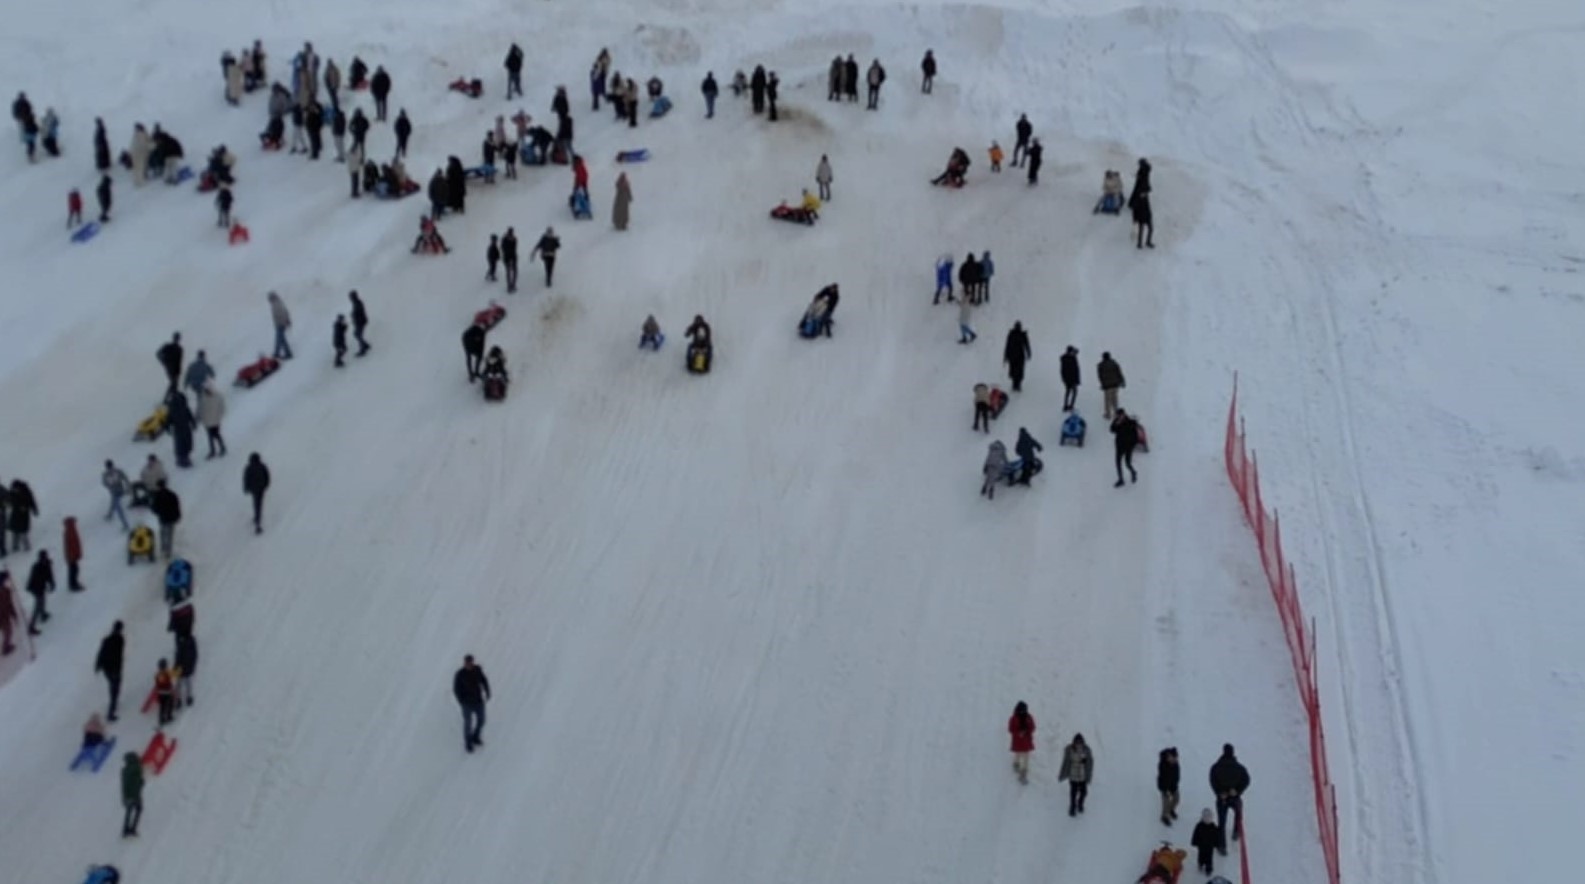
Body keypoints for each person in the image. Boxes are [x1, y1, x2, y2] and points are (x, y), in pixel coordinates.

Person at [1209, 743, 1251, 851]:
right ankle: (1236, 831)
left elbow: (1213, 781)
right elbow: (1246, 780)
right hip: (1235, 798)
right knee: (1238, 815)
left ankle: (1222, 846)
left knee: (1221, 822)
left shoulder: (1216, 767)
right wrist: (1237, 791)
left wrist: (1219, 792)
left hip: (1222, 799)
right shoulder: (1240, 768)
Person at [453, 654, 491, 752]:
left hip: (478, 701)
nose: (469, 664)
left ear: (472, 662)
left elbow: (484, 680)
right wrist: (461, 701)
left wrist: (487, 691)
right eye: (467, 663)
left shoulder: (477, 670)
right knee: (468, 723)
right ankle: (468, 743)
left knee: (482, 720)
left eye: (470, 662)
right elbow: (456, 689)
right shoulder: (460, 674)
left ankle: (475, 737)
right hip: (467, 704)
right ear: (464, 663)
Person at [96, 621, 125, 720]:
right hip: (115, 669)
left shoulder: (106, 640)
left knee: (113, 686)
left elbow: (101, 653)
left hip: (107, 669)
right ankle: (111, 713)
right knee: (115, 688)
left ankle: (113, 703)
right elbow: (119, 656)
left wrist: (98, 665)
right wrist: (118, 668)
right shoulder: (120, 640)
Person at [1058, 733, 1093, 816]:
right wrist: (1063, 773)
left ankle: (1080, 804)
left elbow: (1090, 762)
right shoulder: (1070, 750)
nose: (1078, 743)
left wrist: (1086, 764)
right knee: (1073, 793)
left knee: (1083, 792)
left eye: (1080, 742)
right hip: (1073, 774)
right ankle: (1072, 807)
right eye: (1077, 742)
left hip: (1082, 775)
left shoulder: (1086, 750)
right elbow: (1066, 762)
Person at [149, 481, 181, 560]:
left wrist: (158, 512)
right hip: (171, 518)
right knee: (170, 535)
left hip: (163, 518)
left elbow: (154, 508)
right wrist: (177, 516)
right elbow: (177, 506)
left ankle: (163, 548)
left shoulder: (157, 496)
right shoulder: (172, 495)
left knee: (163, 533)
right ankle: (168, 551)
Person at [25, 550, 54, 636]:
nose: (44, 559)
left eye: (45, 557)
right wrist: (42, 588)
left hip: (40, 587)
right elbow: (35, 580)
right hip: (35, 588)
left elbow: (50, 575)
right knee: (37, 606)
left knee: (43, 600)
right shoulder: (36, 567)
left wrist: (52, 584)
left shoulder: (47, 565)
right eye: (43, 558)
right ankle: (31, 627)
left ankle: (43, 614)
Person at [166, 390, 197, 469]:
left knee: (180, 444)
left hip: (179, 429)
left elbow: (168, 420)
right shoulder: (184, 407)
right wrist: (193, 423)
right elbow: (190, 415)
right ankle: (184, 458)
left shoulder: (172, 409)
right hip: (184, 428)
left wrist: (167, 428)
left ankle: (182, 459)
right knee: (186, 443)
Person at [1110, 409, 1141, 487]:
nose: (1118, 417)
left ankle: (1133, 472)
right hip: (1119, 446)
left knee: (1127, 463)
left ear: (1124, 414)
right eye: (1117, 416)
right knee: (1118, 463)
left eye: (1120, 415)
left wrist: (1131, 445)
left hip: (1128, 447)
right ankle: (1121, 479)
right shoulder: (1116, 422)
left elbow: (1136, 438)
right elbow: (1111, 430)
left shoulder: (1131, 423)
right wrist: (1116, 423)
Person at [242, 453, 270, 534]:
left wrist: (246, 488)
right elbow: (267, 476)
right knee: (259, 505)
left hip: (254, 489)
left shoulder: (248, 468)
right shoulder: (262, 466)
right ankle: (257, 521)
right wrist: (266, 485)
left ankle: (257, 519)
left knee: (255, 503)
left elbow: (246, 478)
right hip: (261, 489)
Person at [1008, 701, 1035, 783]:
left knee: (1026, 759)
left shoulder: (1029, 717)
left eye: (1025, 710)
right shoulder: (1013, 718)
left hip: (1026, 741)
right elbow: (1010, 729)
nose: (1023, 711)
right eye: (1022, 710)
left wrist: (1026, 731)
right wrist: (1018, 732)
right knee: (1018, 755)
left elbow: (1033, 727)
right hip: (1018, 741)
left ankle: (1023, 775)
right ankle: (1016, 764)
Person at [7, 478, 37, 552]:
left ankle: (27, 546)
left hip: (24, 515)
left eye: (15, 489)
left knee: (23, 532)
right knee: (14, 531)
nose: (14, 490)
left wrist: (34, 509)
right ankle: (15, 547)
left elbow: (32, 501)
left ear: (18, 487)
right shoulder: (12, 492)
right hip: (15, 514)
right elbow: (9, 500)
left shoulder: (26, 492)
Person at [199, 381, 226, 458]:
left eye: (207, 389)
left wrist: (218, 417)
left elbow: (222, 408)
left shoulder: (218, 397)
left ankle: (222, 448)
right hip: (207, 421)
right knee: (210, 437)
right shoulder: (203, 398)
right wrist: (202, 417)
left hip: (215, 421)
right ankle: (213, 450)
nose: (206, 391)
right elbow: (201, 409)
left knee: (217, 435)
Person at [102, 460, 131, 531]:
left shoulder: (118, 472)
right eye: (109, 467)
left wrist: (127, 487)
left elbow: (125, 478)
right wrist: (110, 486)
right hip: (114, 492)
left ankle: (125, 525)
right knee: (114, 504)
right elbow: (104, 483)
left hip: (120, 490)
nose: (110, 469)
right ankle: (110, 515)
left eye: (110, 467)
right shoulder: (105, 474)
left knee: (117, 507)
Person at [121, 752, 144, 837]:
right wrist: (142, 782)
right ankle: (133, 828)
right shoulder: (137, 768)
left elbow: (124, 784)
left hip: (126, 795)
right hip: (135, 794)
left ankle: (125, 829)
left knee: (129, 811)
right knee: (139, 809)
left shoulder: (124, 770)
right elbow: (138, 781)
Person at [1097, 351, 1125, 419]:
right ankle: (1116, 413)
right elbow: (1119, 373)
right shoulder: (1114, 363)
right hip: (1115, 384)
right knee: (1114, 399)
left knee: (1107, 400)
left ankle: (1108, 414)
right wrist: (1122, 381)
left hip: (1107, 386)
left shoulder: (1101, 365)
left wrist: (1102, 384)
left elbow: (1100, 376)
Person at [1004, 322, 1030, 391]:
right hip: (1015, 356)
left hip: (1017, 356)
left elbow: (1026, 345)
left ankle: (1017, 385)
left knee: (1017, 371)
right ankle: (1015, 384)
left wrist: (1006, 356)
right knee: (1015, 370)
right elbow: (1008, 345)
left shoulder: (1019, 335)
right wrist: (1006, 356)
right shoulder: (1014, 334)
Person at [1158, 747, 1181, 825]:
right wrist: (1166, 790)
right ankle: (1164, 816)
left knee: (1177, 799)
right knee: (1166, 802)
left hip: (1173, 785)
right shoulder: (1163, 765)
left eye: (1176, 758)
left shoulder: (1176, 764)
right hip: (1164, 787)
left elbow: (1177, 775)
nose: (1175, 760)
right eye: (1173, 758)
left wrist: (1175, 784)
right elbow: (1163, 779)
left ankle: (1171, 810)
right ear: (1169, 757)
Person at [175, 632, 197, 706]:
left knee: (179, 683)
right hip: (187, 665)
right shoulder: (191, 640)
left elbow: (178, 655)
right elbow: (194, 654)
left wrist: (176, 666)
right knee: (187, 682)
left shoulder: (181, 641)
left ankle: (179, 700)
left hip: (182, 665)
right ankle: (188, 697)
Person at [268, 291, 293, 359]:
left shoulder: (276, 304)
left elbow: (282, 313)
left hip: (280, 324)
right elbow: (285, 312)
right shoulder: (277, 303)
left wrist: (285, 322)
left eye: (270, 298)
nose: (269, 300)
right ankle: (281, 353)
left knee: (280, 339)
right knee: (281, 339)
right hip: (280, 324)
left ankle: (285, 353)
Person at [153, 659, 178, 726]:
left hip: (160, 693)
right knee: (170, 704)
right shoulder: (167, 673)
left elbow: (157, 683)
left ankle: (161, 719)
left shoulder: (157, 674)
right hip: (167, 692)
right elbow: (171, 680)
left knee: (162, 706)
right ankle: (169, 716)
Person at [63, 517, 84, 590]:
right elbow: (72, 544)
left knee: (74, 569)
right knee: (74, 570)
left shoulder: (70, 530)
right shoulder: (70, 531)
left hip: (72, 555)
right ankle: (73, 585)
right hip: (72, 556)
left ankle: (73, 583)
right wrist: (75, 554)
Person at [0, 569, 16, 654]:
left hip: (4, 615)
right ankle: (5, 649)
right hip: (3, 616)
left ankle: (6, 646)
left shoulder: (6, 590)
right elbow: (8, 604)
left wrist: (13, 614)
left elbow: (9, 604)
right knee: (8, 631)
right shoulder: (6, 591)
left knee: (8, 631)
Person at [1060, 346, 1081, 411]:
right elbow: (1075, 370)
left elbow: (1062, 370)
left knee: (1068, 392)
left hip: (1067, 379)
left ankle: (1066, 405)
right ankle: (1071, 405)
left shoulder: (1065, 358)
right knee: (1074, 392)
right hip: (1072, 379)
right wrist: (1077, 380)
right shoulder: (1071, 358)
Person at [501, 227, 519, 293]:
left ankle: (513, 284)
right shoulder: (505, 239)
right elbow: (504, 249)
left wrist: (512, 259)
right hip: (507, 257)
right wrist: (509, 260)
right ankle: (509, 286)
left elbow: (514, 249)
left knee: (515, 271)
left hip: (513, 257)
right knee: (508, 272)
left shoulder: (514, 239)